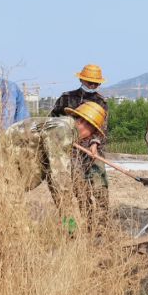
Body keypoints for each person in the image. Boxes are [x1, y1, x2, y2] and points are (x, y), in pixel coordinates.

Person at [5, 101, 108, 230]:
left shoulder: (61, 126)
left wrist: (66, 218)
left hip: (9, 168)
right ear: (83, 123)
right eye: (92, 132)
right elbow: (60, 179)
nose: (89, 137)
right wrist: (70, 224)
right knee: (16, 227)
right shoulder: (62, 131)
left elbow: (53, 178)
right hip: (2, 169)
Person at [50, 65, 110, 223]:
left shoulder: (101, 102)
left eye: (96, 83)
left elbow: (103, 128)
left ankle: (102, 226)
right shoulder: (66, 98)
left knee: (100, 188)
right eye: (90, 82)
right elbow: (53, 121)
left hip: (93, 150)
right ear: (82, 79)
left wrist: (95, 143)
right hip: (71, 150)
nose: (93, 86)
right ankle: (88, 223)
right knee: (80, 190)